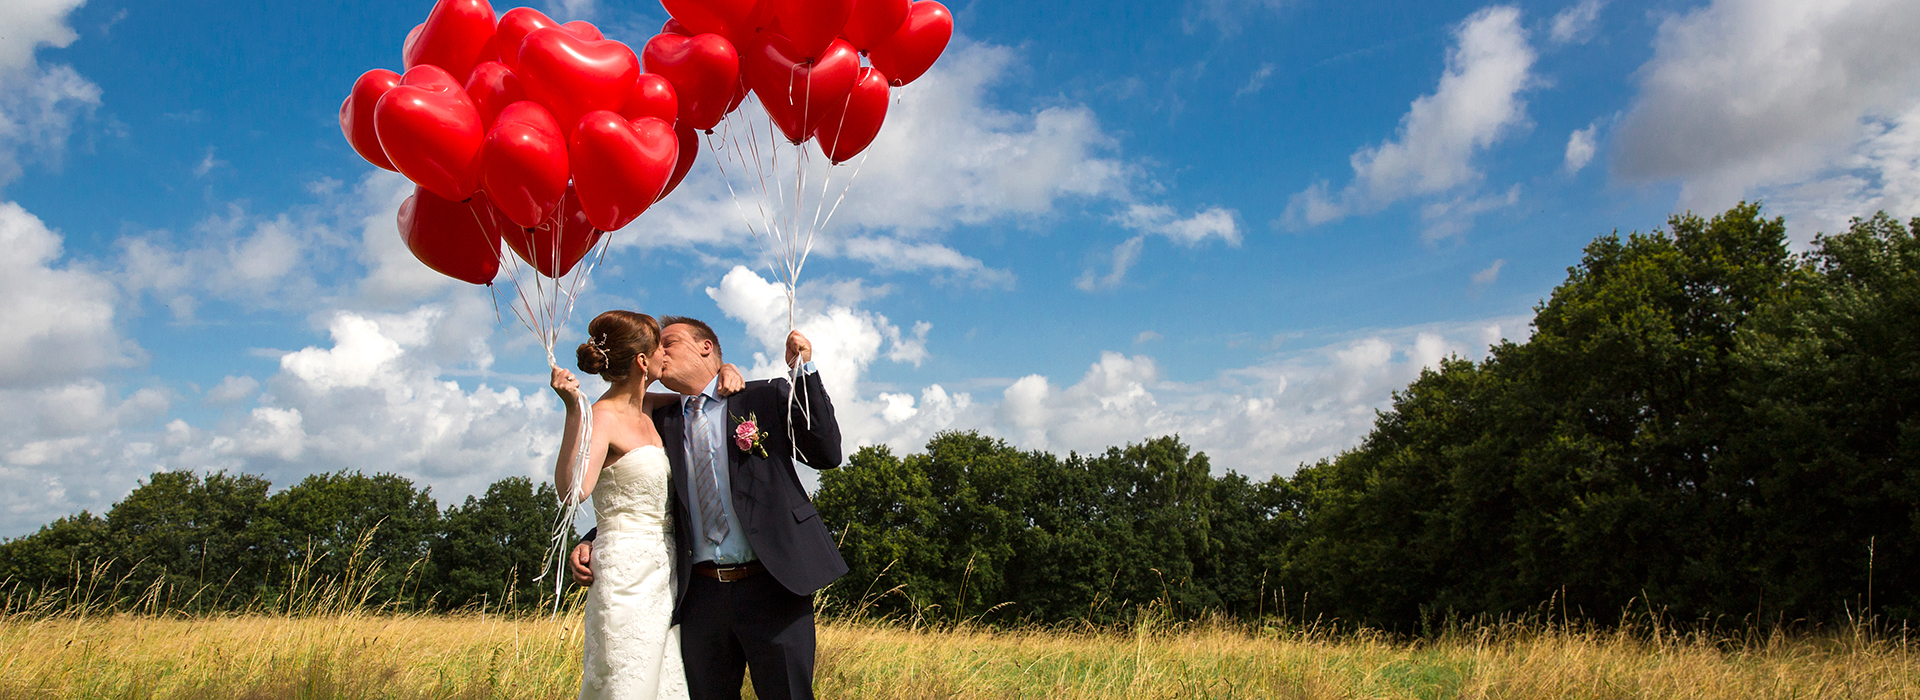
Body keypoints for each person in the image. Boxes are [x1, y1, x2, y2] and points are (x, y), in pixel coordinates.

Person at [571, 318, 846, 700]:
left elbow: (827, 453)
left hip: (774, 585)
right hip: (699, 597)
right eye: (654, 347)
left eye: (668, 342)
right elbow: (644, 494)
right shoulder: (658, 420)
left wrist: (802, 370)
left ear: (705, 347)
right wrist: (595, 536)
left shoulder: (762, 397)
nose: (658, 352)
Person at [550, 310, 744, 700]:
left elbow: (701, 395)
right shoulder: (600, 418)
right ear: (643, 361)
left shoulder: (651, 409)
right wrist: (574, 410)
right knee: (627, 679)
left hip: (667, 573)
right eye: (660, 346)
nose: (665, 354)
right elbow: (574, 491)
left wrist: (727, 368)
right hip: (626, 573)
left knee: (664, 683)